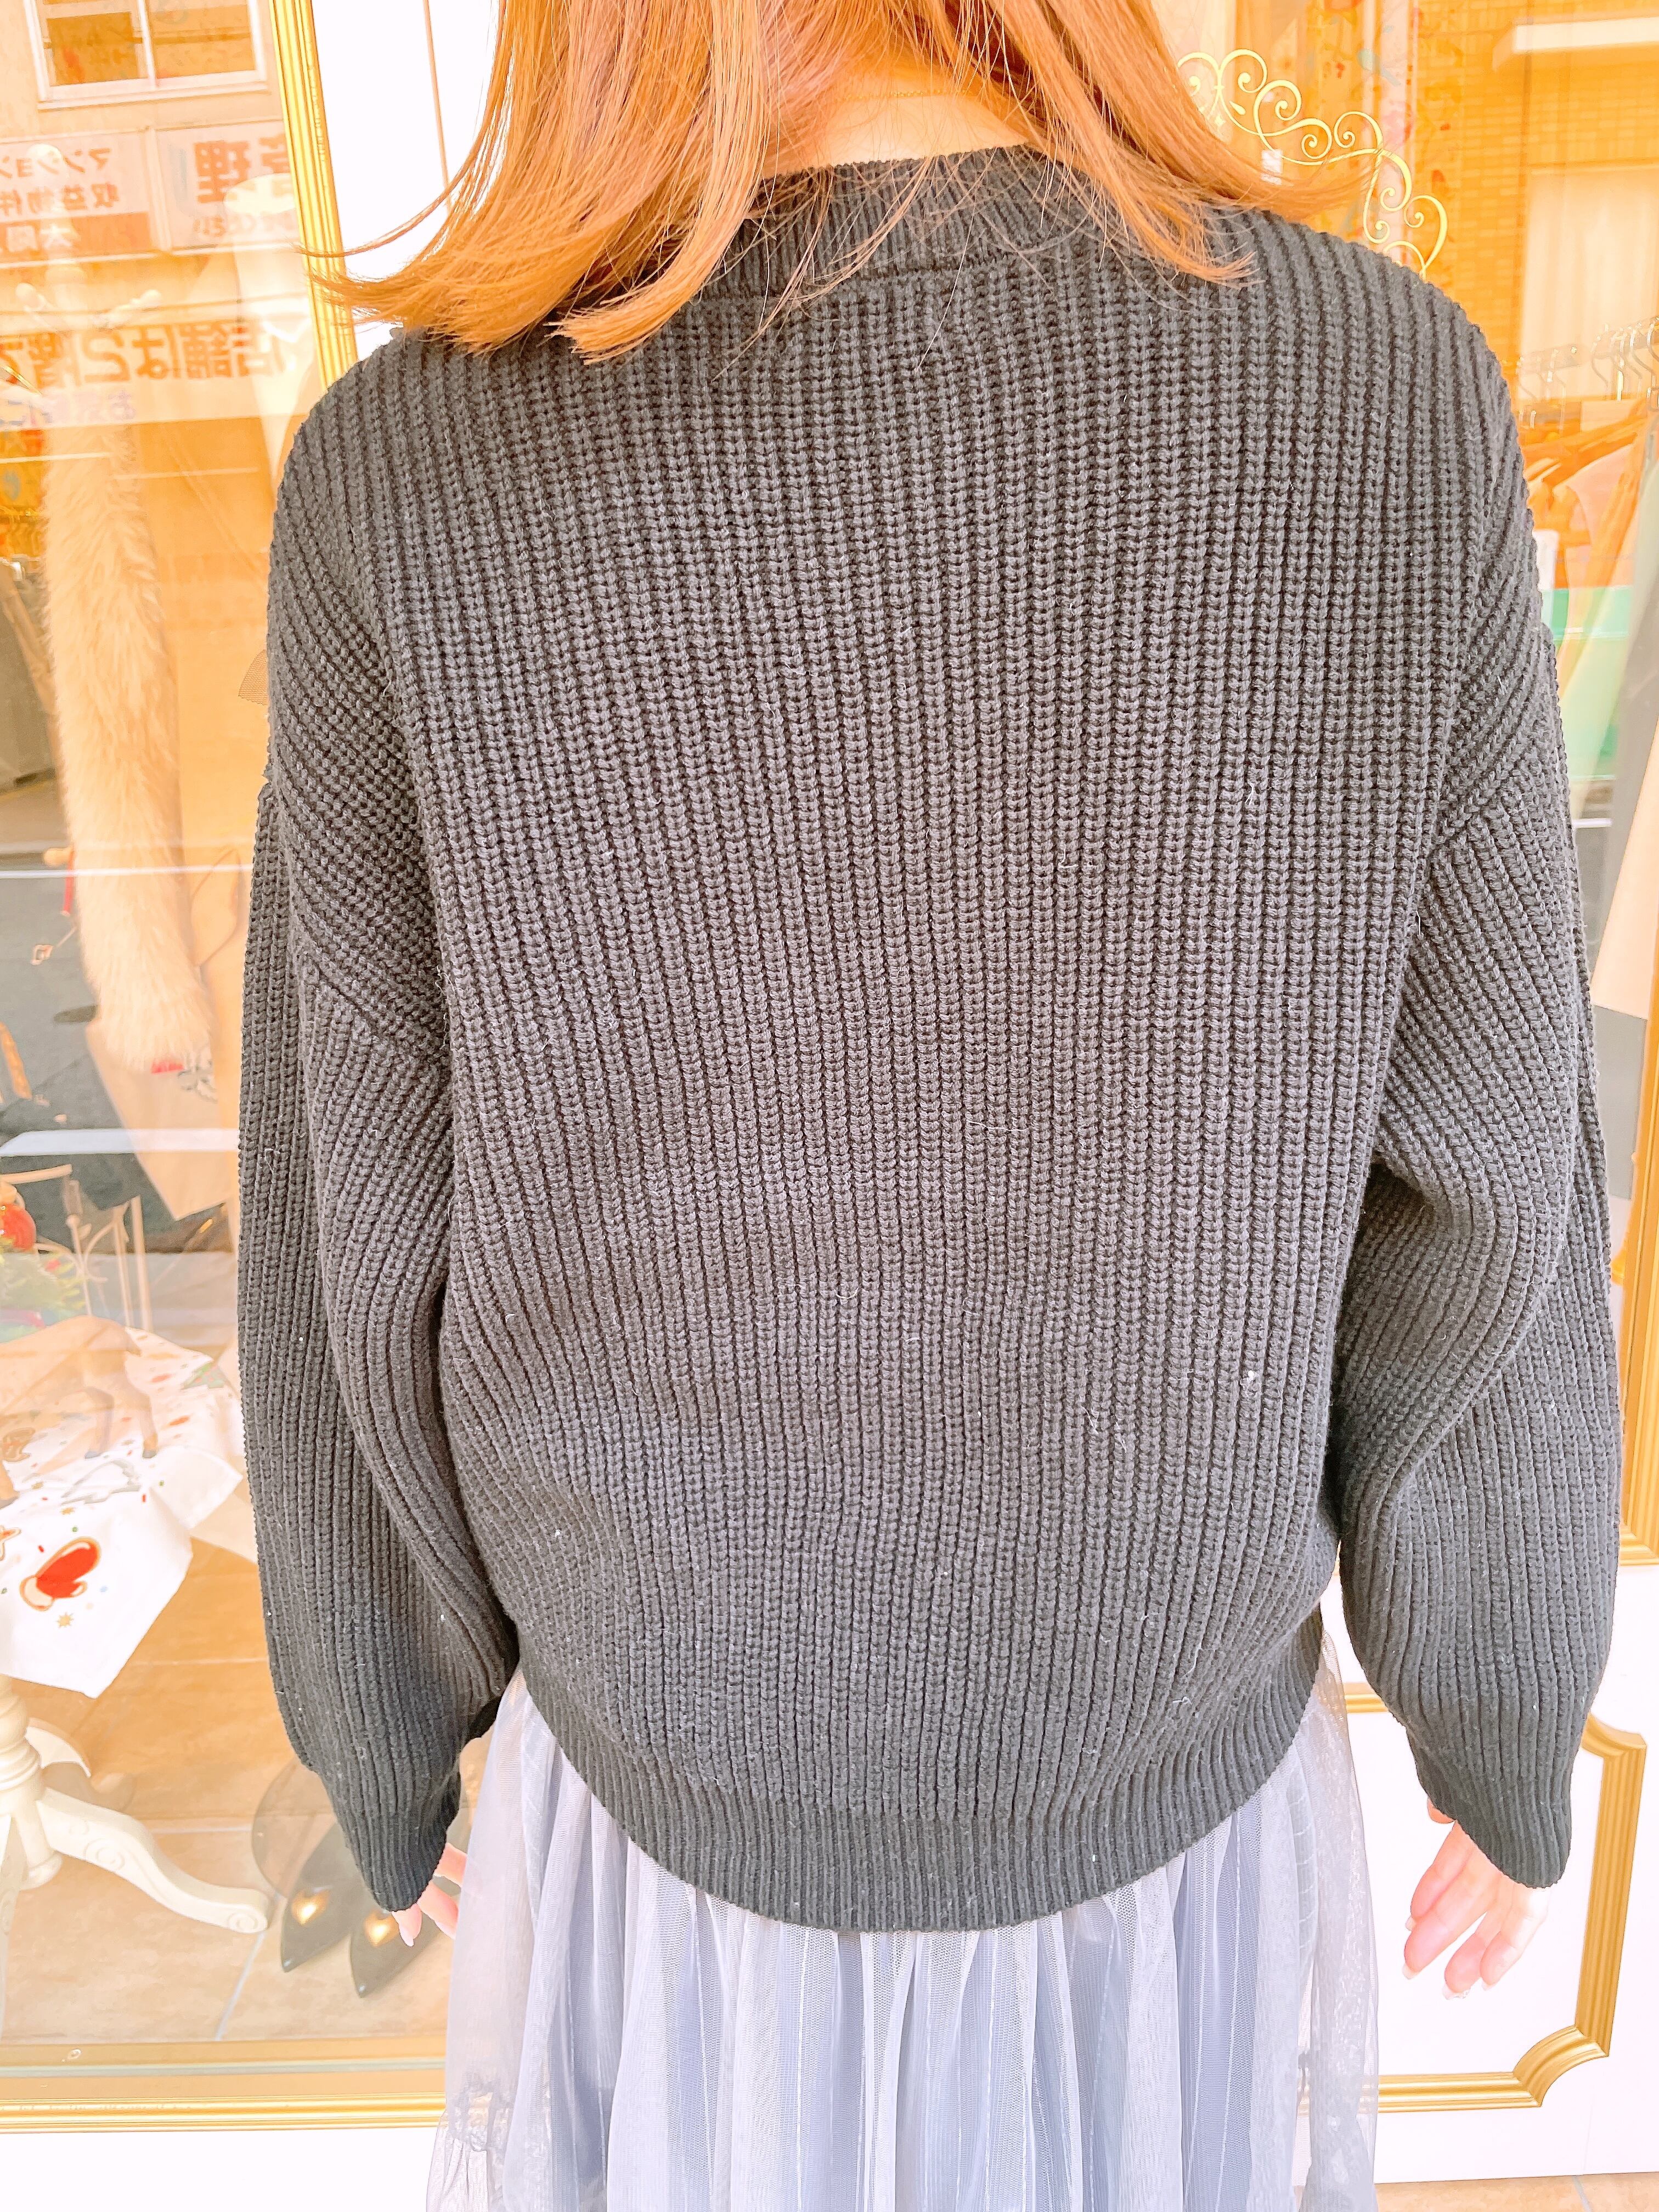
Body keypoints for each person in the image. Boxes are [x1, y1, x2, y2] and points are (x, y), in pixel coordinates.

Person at [235, 4, 1624, 2205]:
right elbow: (1483, 1174)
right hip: (1151, 1796)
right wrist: (1498, 1706)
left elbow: (353, 1198)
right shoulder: (1377, 390)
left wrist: (388, 1727)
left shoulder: (405, 471)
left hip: (668, 1810)